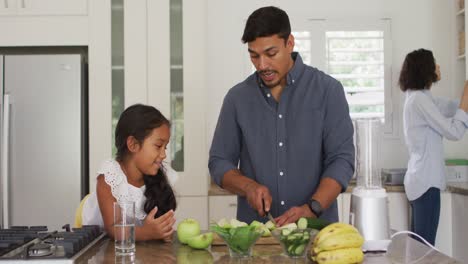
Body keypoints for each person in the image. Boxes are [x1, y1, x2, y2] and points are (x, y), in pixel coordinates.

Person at [208, 6, 355, 225]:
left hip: (317, 233)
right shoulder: (237, 98)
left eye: (271, 53)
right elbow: (219, 161)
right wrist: (248, 186)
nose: (262, 65)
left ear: (290, 43)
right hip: (256, 236)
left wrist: (312, 208)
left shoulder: (328, 91)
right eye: (254, 56)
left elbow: (341, 160)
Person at [399, 48, 468, 245]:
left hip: (421, 180)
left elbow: (449, 106)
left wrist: (464, 103)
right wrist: (465, 100)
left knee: (418, 247)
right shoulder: (420, 100)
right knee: (425, 248)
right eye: (435, 62)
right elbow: (453, 131)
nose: (438, 66)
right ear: (426, 68)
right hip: (426, 183)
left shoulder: (420, 97)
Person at [82, 104, 177, 241]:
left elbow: (156, 228)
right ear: (133, 144)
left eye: (165, 147)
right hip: (96, 245)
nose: (163, 155)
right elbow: (114, 229)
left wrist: (161, 230)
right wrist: (147, 232)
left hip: (133, 248)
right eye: (158, 146)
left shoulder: (157, 178)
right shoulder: (110, 176)